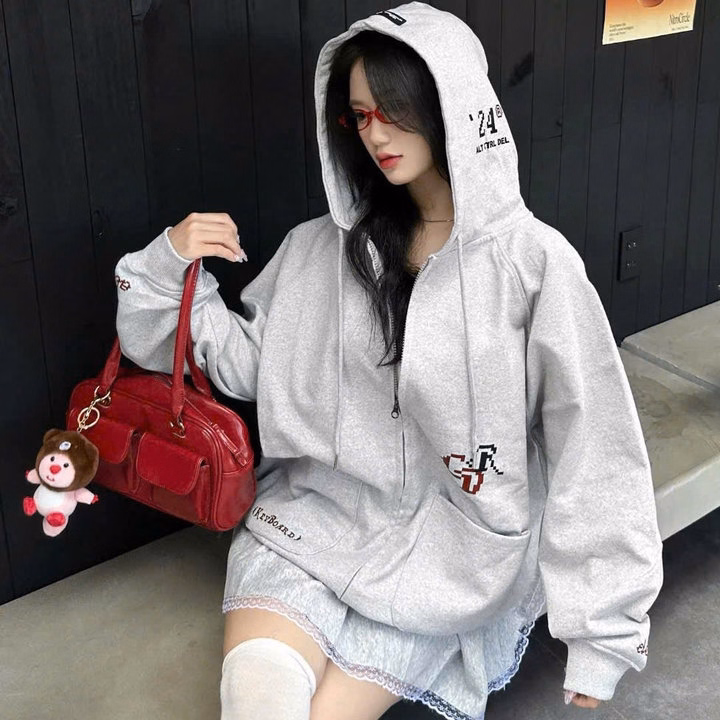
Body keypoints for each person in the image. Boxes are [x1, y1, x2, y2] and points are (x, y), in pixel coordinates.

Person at [113, 3, 664, 719]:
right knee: (256, 699)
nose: (376, 134)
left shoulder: (532, 266)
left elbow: (594, 445)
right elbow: (245, 366)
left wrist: (603, 632)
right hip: (313, 523)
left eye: (395, 110)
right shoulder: (320, 249)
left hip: (452, 558)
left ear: (451, 106)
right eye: (360, 116)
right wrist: (167, 270)